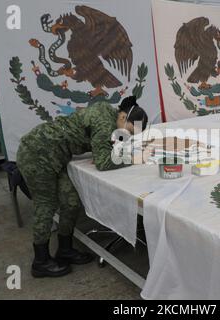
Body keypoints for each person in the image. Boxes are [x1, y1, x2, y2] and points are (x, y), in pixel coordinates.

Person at [17, 96, 148, 278]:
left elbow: (97, 142)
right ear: (123, 117)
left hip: (57, 156)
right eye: (130, 131)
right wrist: (133, 159)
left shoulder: (109, 112)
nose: (128, 136)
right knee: (46, 205)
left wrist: (102, 149)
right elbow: (102, 163)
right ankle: (40, 262)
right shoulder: (105, 124)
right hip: (36, 153)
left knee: (71, 202)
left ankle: (65, 249)